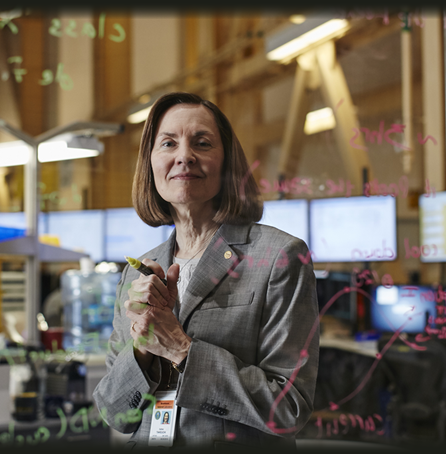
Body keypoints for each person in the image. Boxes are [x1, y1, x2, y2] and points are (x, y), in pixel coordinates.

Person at [92, 92, 319, 448]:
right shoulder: (138, 274)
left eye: (202, 143)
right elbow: (115, 414)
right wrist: (142, 350)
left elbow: (288, 409)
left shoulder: (279, 257)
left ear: (227, 163)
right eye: (168, 143)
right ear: (151, 164)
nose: (184, 156)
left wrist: (182, 349)